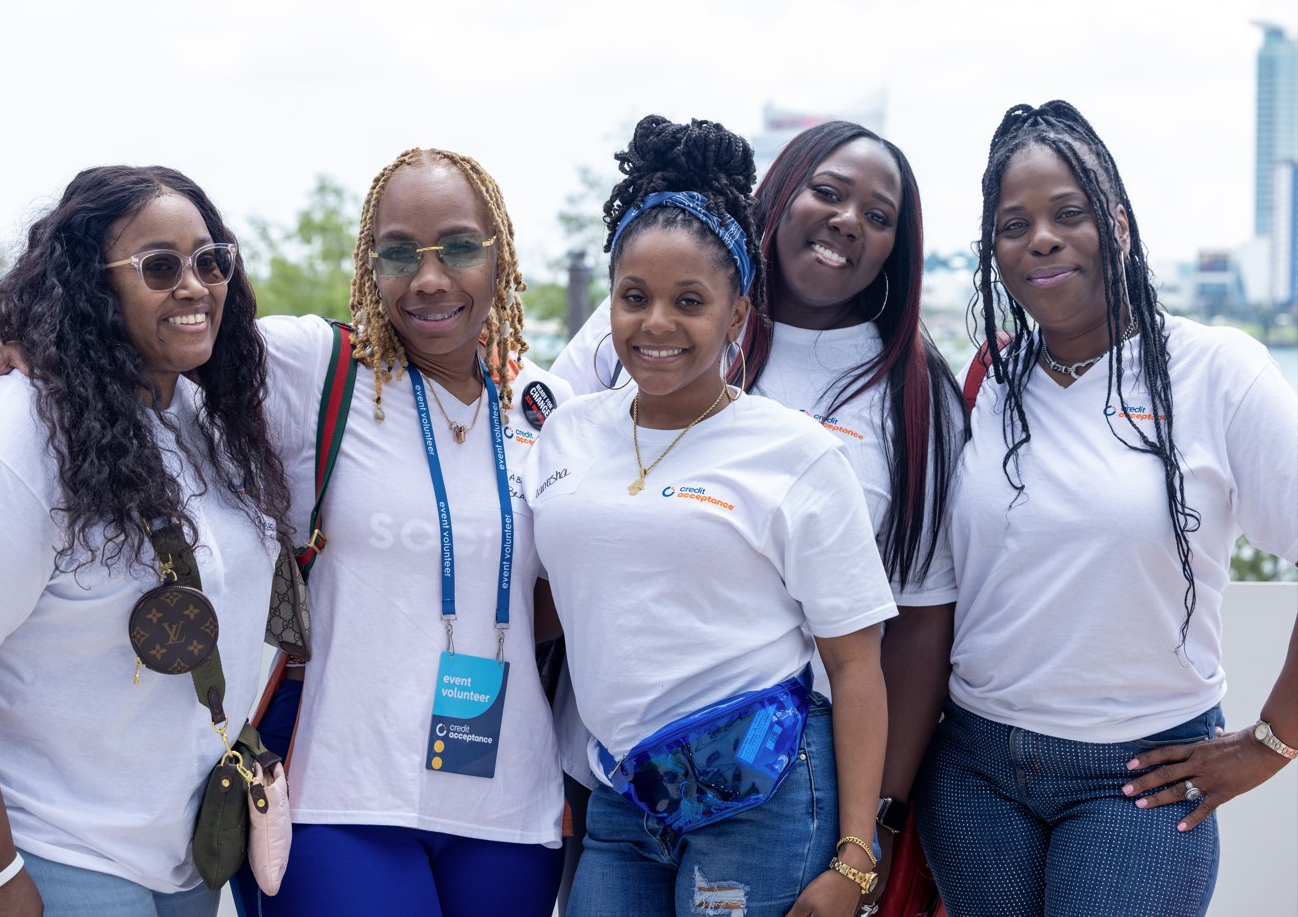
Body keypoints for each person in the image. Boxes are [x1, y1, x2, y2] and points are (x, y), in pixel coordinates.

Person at [0, 148, 570, 917]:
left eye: (460, 248)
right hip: (336, 796)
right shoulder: (318, 369)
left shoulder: (549, 408)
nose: (429, 278)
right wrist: (6, 349)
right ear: (371, 265)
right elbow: (153, 329)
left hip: (507, 800)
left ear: (502, 254)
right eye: (398, 251)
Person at [551, 119, 963, 894]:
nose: (848, 221)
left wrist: (871, 827)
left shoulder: (912, 396)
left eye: (879, 216)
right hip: (610, 769)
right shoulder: (625, 339)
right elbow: (544, 497)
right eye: (830, 192)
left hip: (769, 773)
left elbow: (908, 627)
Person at [913, 100, 1298, 917]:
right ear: (996, 254)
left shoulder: (1216, 372)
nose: (1041, 238)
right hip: (975, 770)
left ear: (1117, 225)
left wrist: (1273, 742)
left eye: (1068, 213)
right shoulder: (988, 379)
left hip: (1141, 774)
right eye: (1013, 225)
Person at [0, 165, 291, 916]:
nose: (194, 285)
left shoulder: (202, 411)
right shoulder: (19, 430)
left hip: (169, 848)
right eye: (158, 267)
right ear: (88, 286)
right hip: (37, 836)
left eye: (211, 259)